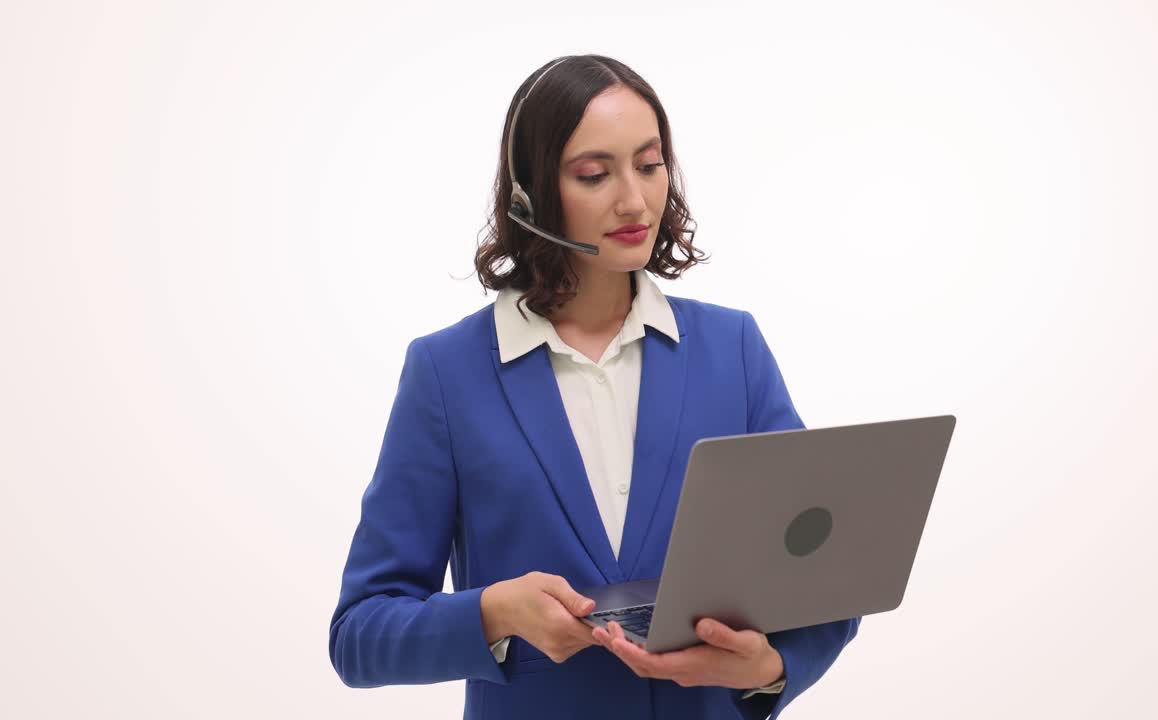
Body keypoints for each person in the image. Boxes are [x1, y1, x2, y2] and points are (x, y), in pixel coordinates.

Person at [328, 54, 860, 719]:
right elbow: (359, 634)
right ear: (530, 195)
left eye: (649, 164)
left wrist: (773, 667)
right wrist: (492, 613)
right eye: (594, 174)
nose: (634, 201)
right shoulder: (448, 373)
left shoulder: (734, 350)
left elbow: (824, 577)